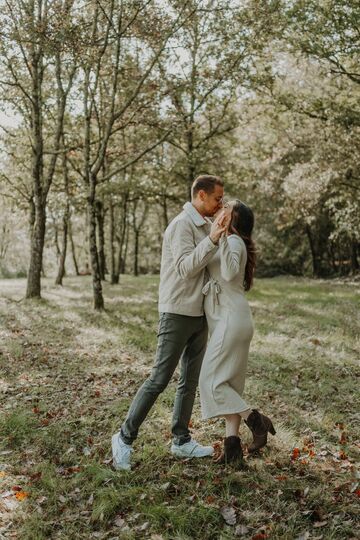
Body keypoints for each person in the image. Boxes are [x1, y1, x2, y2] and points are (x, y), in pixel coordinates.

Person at [112, 175, 230, 470]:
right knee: (159, 379)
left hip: (199, 313)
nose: (220, 204)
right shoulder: (181, 225)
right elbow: (186, 268)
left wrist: (220, 235)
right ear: (201, 196)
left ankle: (181, 440)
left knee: (189, 381)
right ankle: (124, 438)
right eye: (217, 198)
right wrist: (213, 239)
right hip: (176, 312)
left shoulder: (206, 225)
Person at [199, 200, 276, 465]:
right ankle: (232, 450)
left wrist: (220, 238)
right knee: (229, 384)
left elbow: (230, 274)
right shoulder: (233, 241)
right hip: (235, 319)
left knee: (209, 382)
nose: (221, 207)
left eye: (227, 207)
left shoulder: (232, 241)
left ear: (233, 218)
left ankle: (256, 420)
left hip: (232, 321)